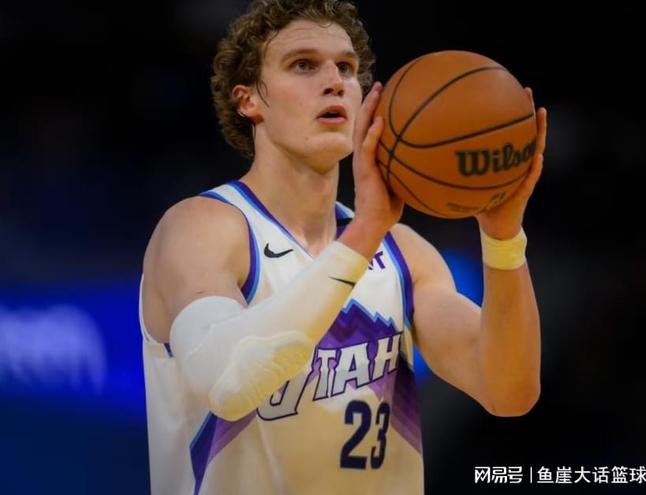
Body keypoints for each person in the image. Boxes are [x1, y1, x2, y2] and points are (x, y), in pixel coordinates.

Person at [139, 0, 547, 493]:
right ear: (249, 101)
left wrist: (503, 238)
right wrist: (364, 234)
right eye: (303, 65)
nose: (334, 81)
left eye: (347, 68)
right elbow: (226, 381)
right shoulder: (202, 229)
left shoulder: (403, 253)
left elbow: (509, 391)